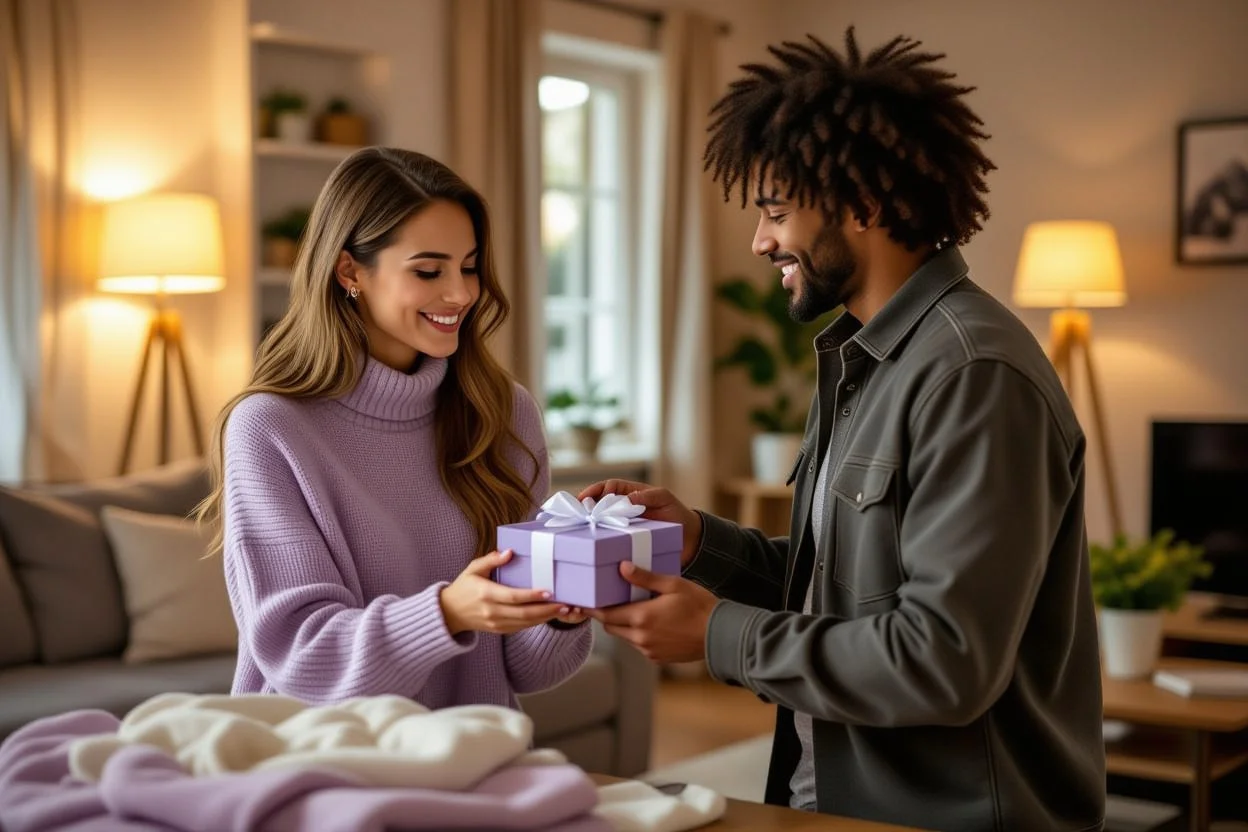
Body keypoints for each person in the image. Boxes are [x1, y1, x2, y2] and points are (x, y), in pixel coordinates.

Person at [582, 28, 1106, 831]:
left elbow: (945, 661)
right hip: (837, 799)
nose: (761, 242)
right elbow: (850, 589)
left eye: (776, 211)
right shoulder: (866, 358)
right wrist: (698, 542)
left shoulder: (974, 376)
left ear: (863, 205)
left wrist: (717, 635)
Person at [198, 147, 591, 710]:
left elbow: (527, 669)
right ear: (350, 271)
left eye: (470, 266)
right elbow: (303, 659)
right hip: (321, 765)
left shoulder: (504, 413)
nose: (460, 294)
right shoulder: (270, 428)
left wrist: (561, 604)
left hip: (471, 756)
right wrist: (447, 613)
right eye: (429, 271)